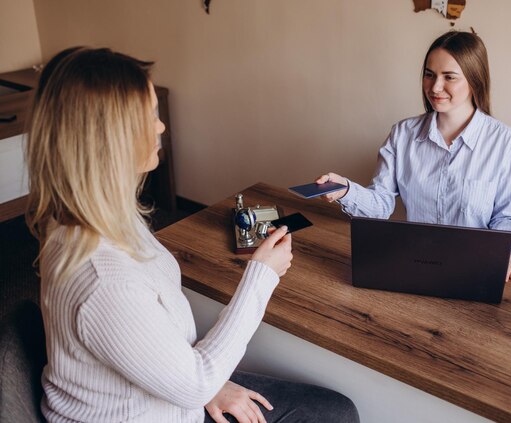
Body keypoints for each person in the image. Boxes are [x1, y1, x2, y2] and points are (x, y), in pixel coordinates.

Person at [26, 47, 359, 423]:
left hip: (173, 389)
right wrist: (262, 275)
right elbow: (194, 381)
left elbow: (161, 350)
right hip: (161, 406)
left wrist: (209, 385)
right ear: (109, 139)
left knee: (335, 410)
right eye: (149, 117)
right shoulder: (103, 281)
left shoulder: (93, 213)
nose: (161, 127)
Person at [316, 31, 511, 281]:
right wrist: (346, 190)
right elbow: (381, 204)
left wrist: (507, 253)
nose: (435, 87)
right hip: (415, 265)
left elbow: (508, 217)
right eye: (429, 75)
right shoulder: (402, 134)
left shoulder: (507, 142)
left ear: (474, 80)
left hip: (474, 270)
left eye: (449, 77)